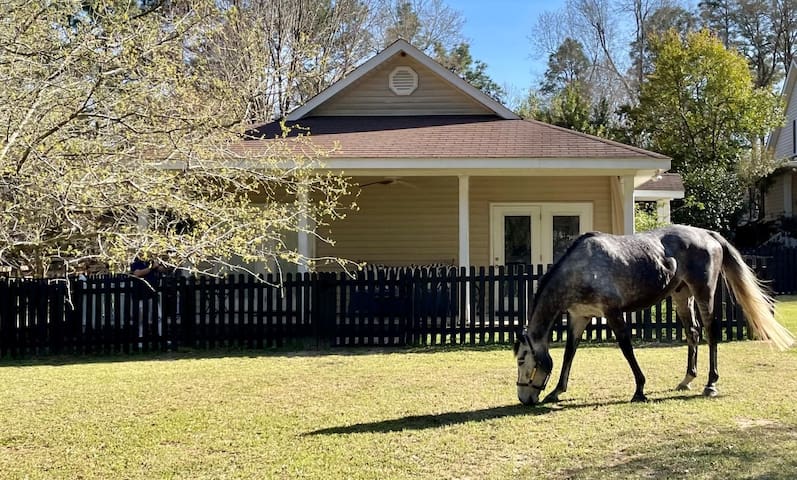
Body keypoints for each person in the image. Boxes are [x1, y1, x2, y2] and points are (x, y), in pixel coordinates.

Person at [130, 255, 167, 343]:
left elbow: (163, 270)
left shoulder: (151, 261)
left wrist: (157, 266)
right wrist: (151, 268)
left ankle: (161, 337)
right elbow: (137, 273)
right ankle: (140, 339)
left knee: (158, 317)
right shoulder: (136, 261)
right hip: (140, 295)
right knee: (141, 319)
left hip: (152, 294)